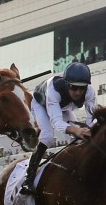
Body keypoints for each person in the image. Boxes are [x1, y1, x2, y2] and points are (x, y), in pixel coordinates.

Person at [22, 62, 96, 194]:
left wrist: (90, 132)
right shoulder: (53, 90)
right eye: (74, 88)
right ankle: (29, 178)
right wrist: (75, 130)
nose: (78, 92)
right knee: (47, 136)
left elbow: (91, 119)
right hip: (41, 105)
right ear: (67, 84)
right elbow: (56, 122)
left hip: (64, 107)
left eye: (82, 88)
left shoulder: (90, 92)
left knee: (81, 138)